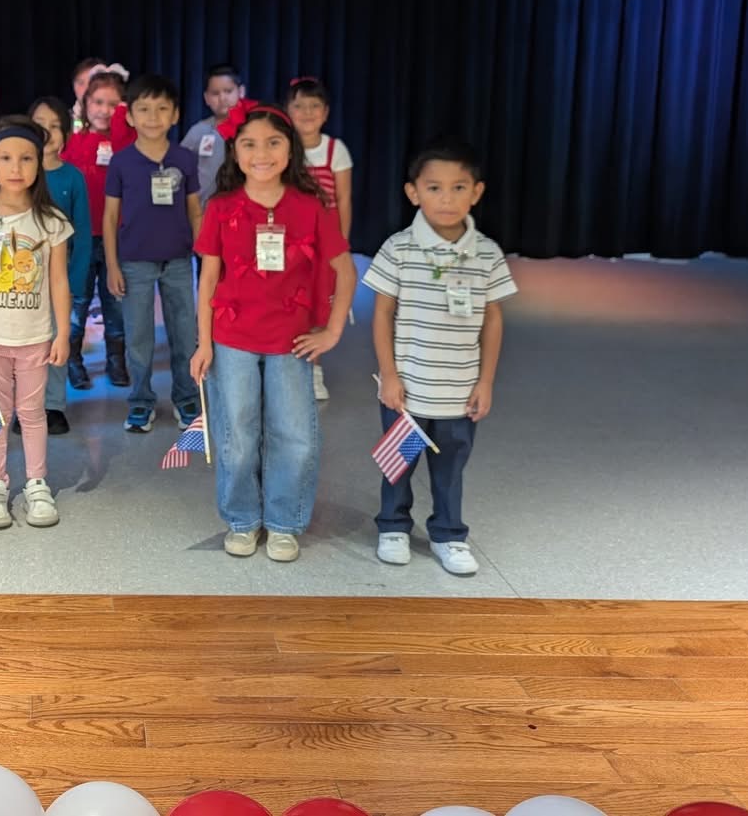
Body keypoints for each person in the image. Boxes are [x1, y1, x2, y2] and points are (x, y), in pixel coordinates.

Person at [191, 102, 357, 563]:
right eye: (249, 144)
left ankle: (284, 521)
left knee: (294, 433)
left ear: (290, 151)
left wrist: (333, 330)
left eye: (272, 143)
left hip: (292, 343)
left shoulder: (311, 207)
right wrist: (203, 343)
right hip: (232, 340)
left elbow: (345, 271)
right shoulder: (222, 207)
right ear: (234, 152)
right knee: (236, 434)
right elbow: (207, 279)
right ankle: (243, 518)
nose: (260, 153)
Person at [365, 136, 517, 576]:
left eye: (458, 187)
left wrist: (485, 381)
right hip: (407, 392)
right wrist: (389, 375)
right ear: (413, 192)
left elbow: (493, 320)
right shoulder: (399, 248)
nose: (446, 199)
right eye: (434, 188)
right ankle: (392, 526)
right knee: (398, 463)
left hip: (459, 393)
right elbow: (382, 315)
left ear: (477, 192)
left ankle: (449, 534)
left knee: (450, 469)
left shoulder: (487, 252)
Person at [0, 117, 73, 529]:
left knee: (32, 412)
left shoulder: (52, 222)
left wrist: (64, 331)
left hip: (35, 338)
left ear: (39, 164)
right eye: (5, 158)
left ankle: (37, 482)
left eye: (26, 158)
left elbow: (59, 280)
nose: (16, 167)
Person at [102, 74, 202, 433]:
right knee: (139, 338)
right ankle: (141, 401)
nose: (153, 117)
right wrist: (112, 264)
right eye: (144, 109)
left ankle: (187, 398)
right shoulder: (122, 162)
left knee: (183, 332)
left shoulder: (185, 159)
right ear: (130, 116)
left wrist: (204, 259)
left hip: (177, 260)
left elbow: (195, 211)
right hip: (134, 262)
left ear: (175, 115)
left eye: (162, 109)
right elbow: (110, 216)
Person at [61, 67, 135, 390]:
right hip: (80, 236)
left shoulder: (125, 139)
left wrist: (122, 113)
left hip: (116, 236)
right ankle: (73, 360)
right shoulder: (76, 139)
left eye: (114, 104)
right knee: (78, 301)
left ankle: (116, 359)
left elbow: (120, 137)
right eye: (98, 102)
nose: (105, 110)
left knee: (115, 302)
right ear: (85, 103)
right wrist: (78, 116)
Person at [285, 76, 354, 401]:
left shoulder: (334, 149)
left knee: (316, 305)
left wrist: (340, 243)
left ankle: (313, 368)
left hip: (323, 244)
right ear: (288, 110)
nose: (307, 113)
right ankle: (282, 363)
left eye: (314, 107)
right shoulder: (282, 146)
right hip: (287, 243)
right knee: (287, 301)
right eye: (299, 106)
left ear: (325, 112)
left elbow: (343, 199)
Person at [29, 97, 91, 434]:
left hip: (58, 278)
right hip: (21, 278)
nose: (47, 132)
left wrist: (76, 278)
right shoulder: (19, 173)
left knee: (54, 340)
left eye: (55, 126)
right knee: (25, 345)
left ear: (66, 134)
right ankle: (27, 405)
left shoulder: (72, 177)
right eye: (40, 124)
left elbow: (81, 234)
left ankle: (53, 404)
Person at [180, 64, 245, 208]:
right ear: (206, 98)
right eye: (215, 93)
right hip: (204, 214)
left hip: (244, 213)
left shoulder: (253, 129)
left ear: (241, 92)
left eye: (228, 91)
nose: (222, 98)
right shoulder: (198, 131)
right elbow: (179, 167)